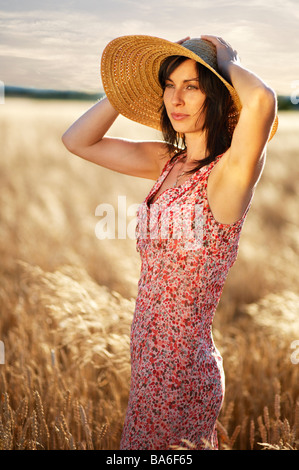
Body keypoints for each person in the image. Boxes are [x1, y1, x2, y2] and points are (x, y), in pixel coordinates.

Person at [62, 34, 278, 450]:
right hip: (146, 361)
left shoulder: (225, 177)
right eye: (169, 85)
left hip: (181, 372)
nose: (176, 99)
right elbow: (77, 141)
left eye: (192, 86)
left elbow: (263, 100)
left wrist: (226, 62)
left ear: (215, 97)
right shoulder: (168, 162)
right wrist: (126, 91)